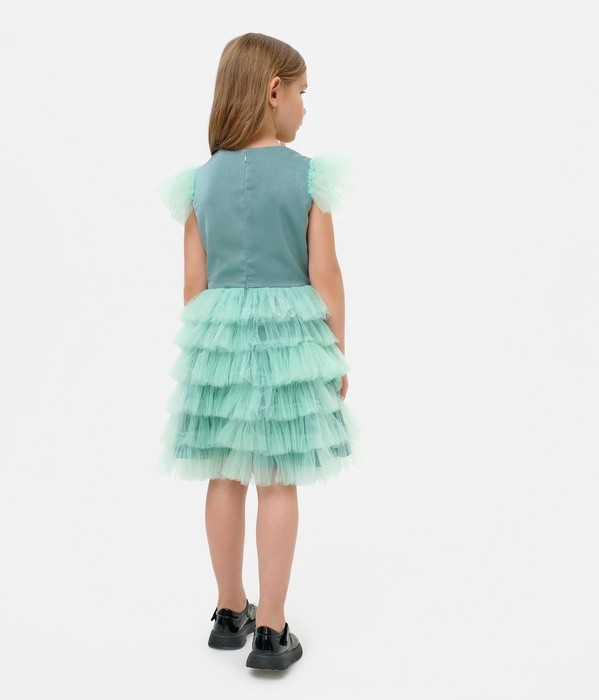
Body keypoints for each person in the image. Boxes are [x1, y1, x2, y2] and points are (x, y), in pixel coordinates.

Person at [155, 32, 363, 671]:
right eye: (302, 92)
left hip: (218, 341)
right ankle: (271, 629)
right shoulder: (307, 177)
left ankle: (228, 610)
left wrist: (208, 357)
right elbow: (326, 273)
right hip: (288, 345)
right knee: (277, 477)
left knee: (224, 473)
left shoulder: (200, 184)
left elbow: (193, 286)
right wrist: (335, 351)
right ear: (275, 91)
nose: (305, 106)